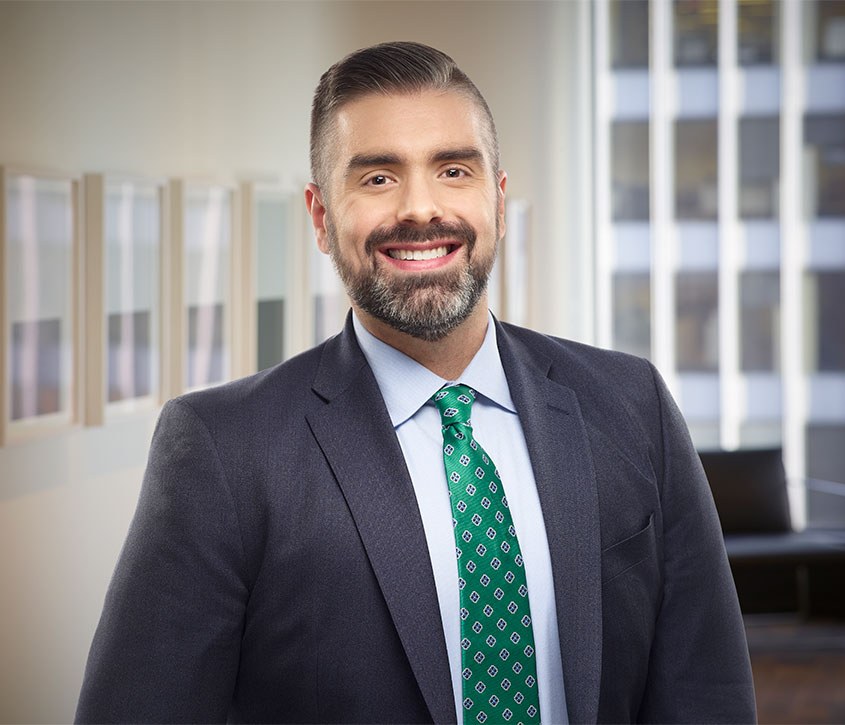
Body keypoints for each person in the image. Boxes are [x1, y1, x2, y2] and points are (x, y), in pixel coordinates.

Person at [76, 41, 756, 724]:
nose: (421, 208)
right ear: (321, 216)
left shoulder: (632, 405)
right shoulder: (224, 451)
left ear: (498, 198)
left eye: (453, 170)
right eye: (377, 178)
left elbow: (707, 693)